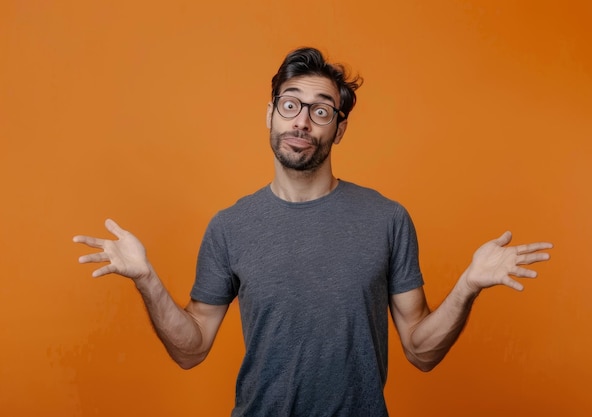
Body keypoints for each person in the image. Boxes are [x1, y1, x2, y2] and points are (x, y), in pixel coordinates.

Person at [73, 47, 553, 416]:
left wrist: (468, 285)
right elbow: (191, 348)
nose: (302, 120)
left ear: (339, 129)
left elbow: (420, 352)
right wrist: (146, 280)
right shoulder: (230, 226)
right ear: (270, 113)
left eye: (321, 110)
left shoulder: (387, 218)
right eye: (290, 105)